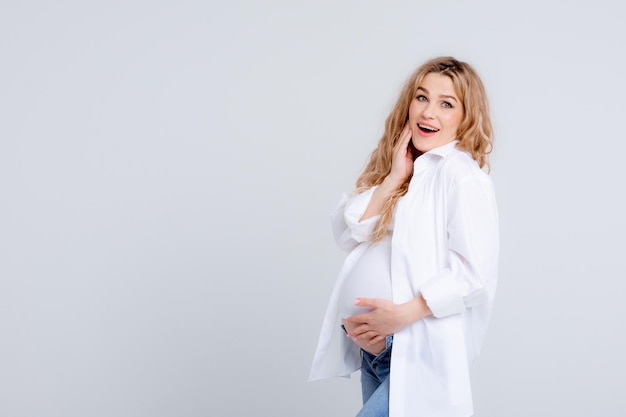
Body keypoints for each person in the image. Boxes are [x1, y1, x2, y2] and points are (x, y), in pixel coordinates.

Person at [309, 56, 499, 417]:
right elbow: (348, 233)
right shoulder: (408, 170)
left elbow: (475, 277)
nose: (429, 112)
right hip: (376, 349)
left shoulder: (461, 175)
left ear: (466, 115)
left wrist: (399, 317)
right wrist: (395, 177)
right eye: (422, 97)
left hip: (415, 348)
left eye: (447, 104)